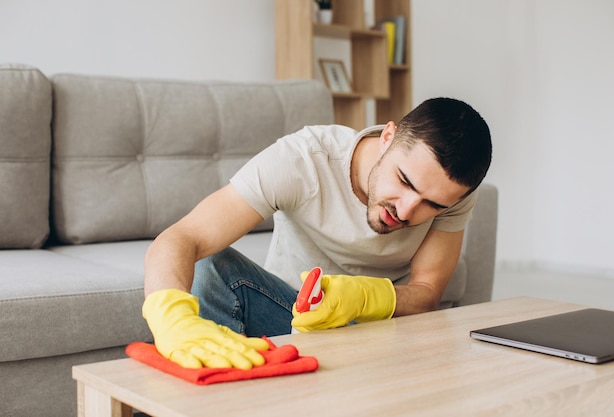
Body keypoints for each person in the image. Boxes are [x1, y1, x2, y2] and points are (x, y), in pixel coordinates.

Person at [142, 97, 492, 370]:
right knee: (211, 264)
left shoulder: (452, 193)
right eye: (403, 181)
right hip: (291, 318)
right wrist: (171, 317)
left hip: (380, 330)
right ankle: (226, 387)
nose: (405, 211)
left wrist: (368, 298)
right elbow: (183, 238)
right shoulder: (303, 160)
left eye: (431, 205)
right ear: (388, 138)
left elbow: (428, 293)